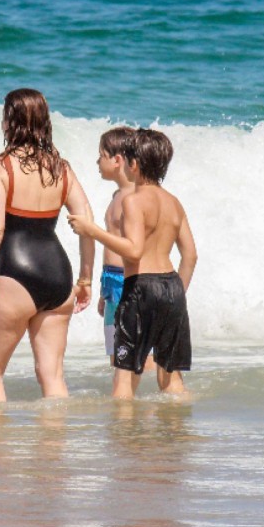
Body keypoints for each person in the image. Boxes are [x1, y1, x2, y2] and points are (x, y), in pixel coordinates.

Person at [0, 88, 95, 402]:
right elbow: (87, 223)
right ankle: (56, 435)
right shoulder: (61, 168)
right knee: (52, 376)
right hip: (58, 275)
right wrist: (85, 278)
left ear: (9, 122)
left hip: (16, 274)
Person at [68, 128, 196, 398]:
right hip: (172, 287)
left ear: (134, 164)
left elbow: (134, 250)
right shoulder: (174, 202)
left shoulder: (133, 201)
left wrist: (92, 231)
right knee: (170, 379)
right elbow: (190, 256)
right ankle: (179, 424)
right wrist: (176, 295)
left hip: (141, 287)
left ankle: (125, 426)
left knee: (124, 378)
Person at [94, 126, 157, 391]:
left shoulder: (134, 197)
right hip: (111, 282)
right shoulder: (116, 196)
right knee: (115, 353)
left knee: (135, 353)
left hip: (128, 280)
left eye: (101, 156)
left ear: (117, 160)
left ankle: (149, 399)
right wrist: (103, 291)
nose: (97, 162)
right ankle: (128, 398)